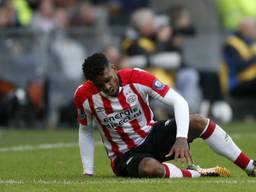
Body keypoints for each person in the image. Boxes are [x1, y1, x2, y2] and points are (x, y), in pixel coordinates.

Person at [74, 53, 256, 178]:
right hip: (124, 155)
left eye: (108, 80)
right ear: (91, 83)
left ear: (113, 68)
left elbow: (180, 102)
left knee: (198, 122)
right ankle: (196, 173)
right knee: (150, 168)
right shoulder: (83, 96)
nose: (107, 87)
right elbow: (85, 131)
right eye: (100, 85)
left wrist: (181, 138)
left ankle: (250, 167)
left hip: (151, 135)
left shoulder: (137, 77)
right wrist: (87, 172)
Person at [222, 17, 256, 98]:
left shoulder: (251, 41)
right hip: (237, 83)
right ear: (244, 29)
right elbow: (240, 67)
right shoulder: (232, 44)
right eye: (254, 27)